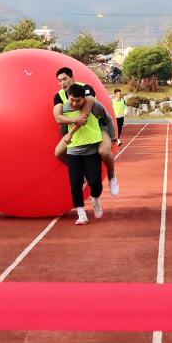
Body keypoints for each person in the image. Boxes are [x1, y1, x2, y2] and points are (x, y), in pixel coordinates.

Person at [53, 67, 119, 196]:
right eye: (59, 81)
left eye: (65, 79)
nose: (63, 83)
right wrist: (70, 124)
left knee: (104, 151)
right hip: (78, 132)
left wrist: (70, 130)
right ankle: (82, 174)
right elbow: (58, 118)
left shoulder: (86, 89)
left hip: (97, 126)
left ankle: (112, 177)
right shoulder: (58, 96)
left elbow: (85, 115)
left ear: (72, 78)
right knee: (58, 152)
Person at [62, 84, 117, 225]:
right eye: (72, 100)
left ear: (84, 99)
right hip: (73, 151)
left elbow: (108, 119)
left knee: (95, 182)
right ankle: (81, 213)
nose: (74, 104)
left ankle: (96, 199)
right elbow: (62, 126)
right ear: (68, 97)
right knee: (75, 184)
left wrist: (113, 139)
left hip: (91, 151)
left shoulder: (94, 106)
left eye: (78, 101)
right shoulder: (65, 109)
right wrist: (66, 137)